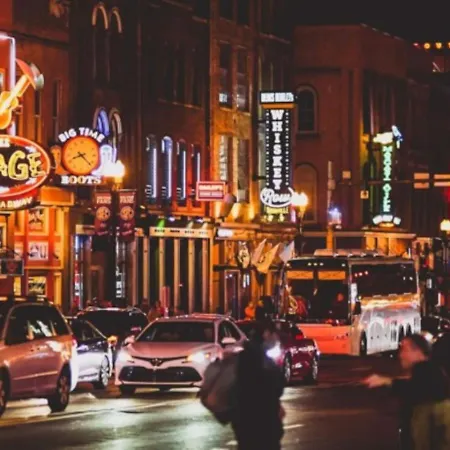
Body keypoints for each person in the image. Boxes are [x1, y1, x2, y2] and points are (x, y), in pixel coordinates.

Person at [364, 334, 450, 450]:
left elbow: (418, 389)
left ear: (418, 352)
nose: (401, 355)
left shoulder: (426, 371)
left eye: (405, 350)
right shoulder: (430, 372)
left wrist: (388, 382)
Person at [231, 320, 285, 450]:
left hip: (245, 424)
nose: (276, 339)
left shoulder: (243, 357)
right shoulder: (262, 360)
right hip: (263, 426)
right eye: (274, 334)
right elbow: (277, 385)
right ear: (266, 334)